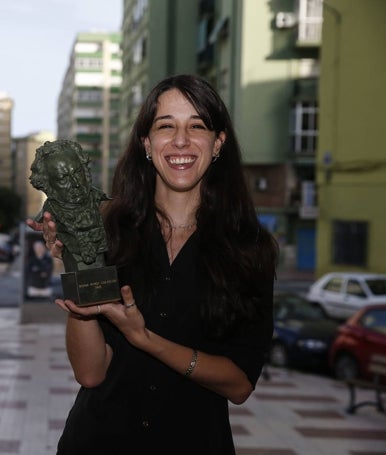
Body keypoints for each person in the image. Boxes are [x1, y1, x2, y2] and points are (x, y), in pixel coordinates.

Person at [27, 74, 279, 454]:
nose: (181, 140)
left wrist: (145, 339)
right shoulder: (106, 229)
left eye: (197, 126)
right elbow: (90, 373)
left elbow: (240, 383)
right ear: (147, 142)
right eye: (166, 126)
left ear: (218, 143)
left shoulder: (249, 248)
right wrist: (75, 267)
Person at [30, 139, 110, 272]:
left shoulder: (106, 205)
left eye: (78, 172)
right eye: (63, 178)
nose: (75, 183)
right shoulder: (49, 215)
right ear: (48, 185)